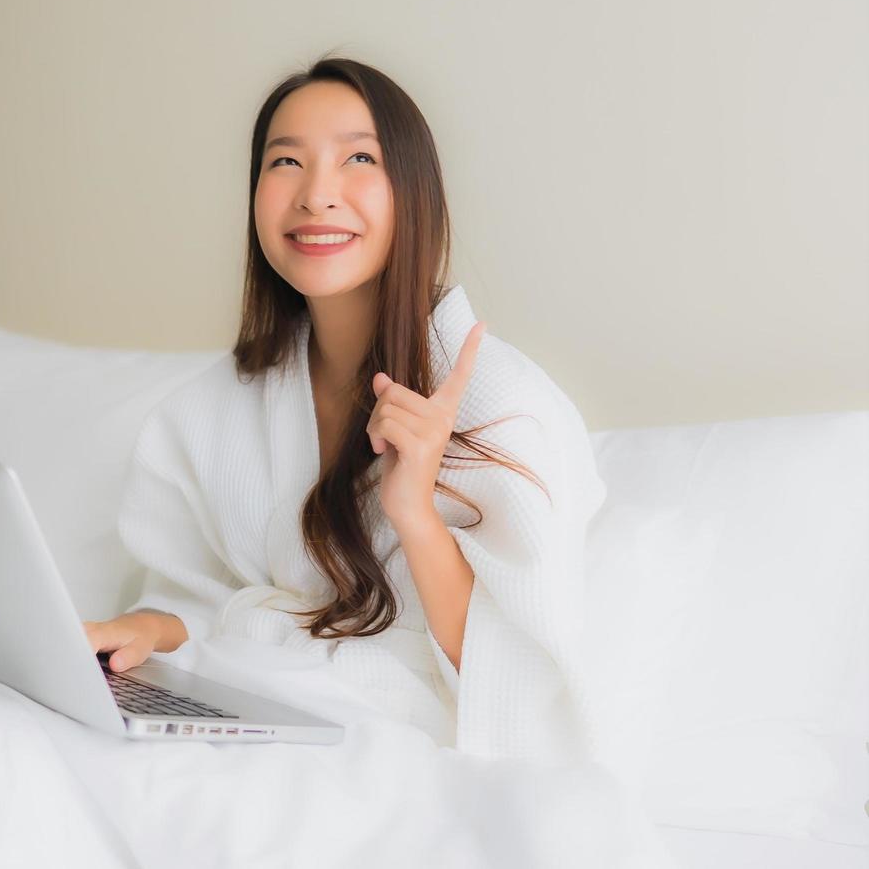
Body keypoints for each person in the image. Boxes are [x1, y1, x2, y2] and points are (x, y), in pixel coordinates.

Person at [82, 56, 608, 764]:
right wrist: (148, 627)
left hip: (408, 741)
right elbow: (204, 592)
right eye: (285, 162)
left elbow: (517, 681)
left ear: (414, 193)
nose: (316, 194)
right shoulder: (216, 404)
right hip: (256, 708)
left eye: (359, 157)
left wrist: (414, 511)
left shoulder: (502, 403)